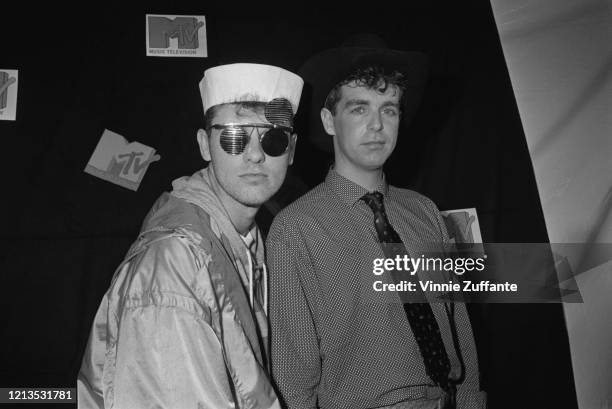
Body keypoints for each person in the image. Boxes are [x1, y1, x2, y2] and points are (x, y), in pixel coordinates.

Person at [267, 35, 486, 409]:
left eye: (389, 110)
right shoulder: (295, 230)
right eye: (358, 109)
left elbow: (457, 324)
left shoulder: (425, 212)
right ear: (328, 120)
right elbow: (293, 376)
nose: (377, 126)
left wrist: (470, 402)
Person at [77, 63, 303, 409]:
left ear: (291, 150)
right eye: (233, 136)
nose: (255, 154)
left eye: (273, 139)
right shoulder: (176, 262)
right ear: (205, 144)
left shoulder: (242, 242)